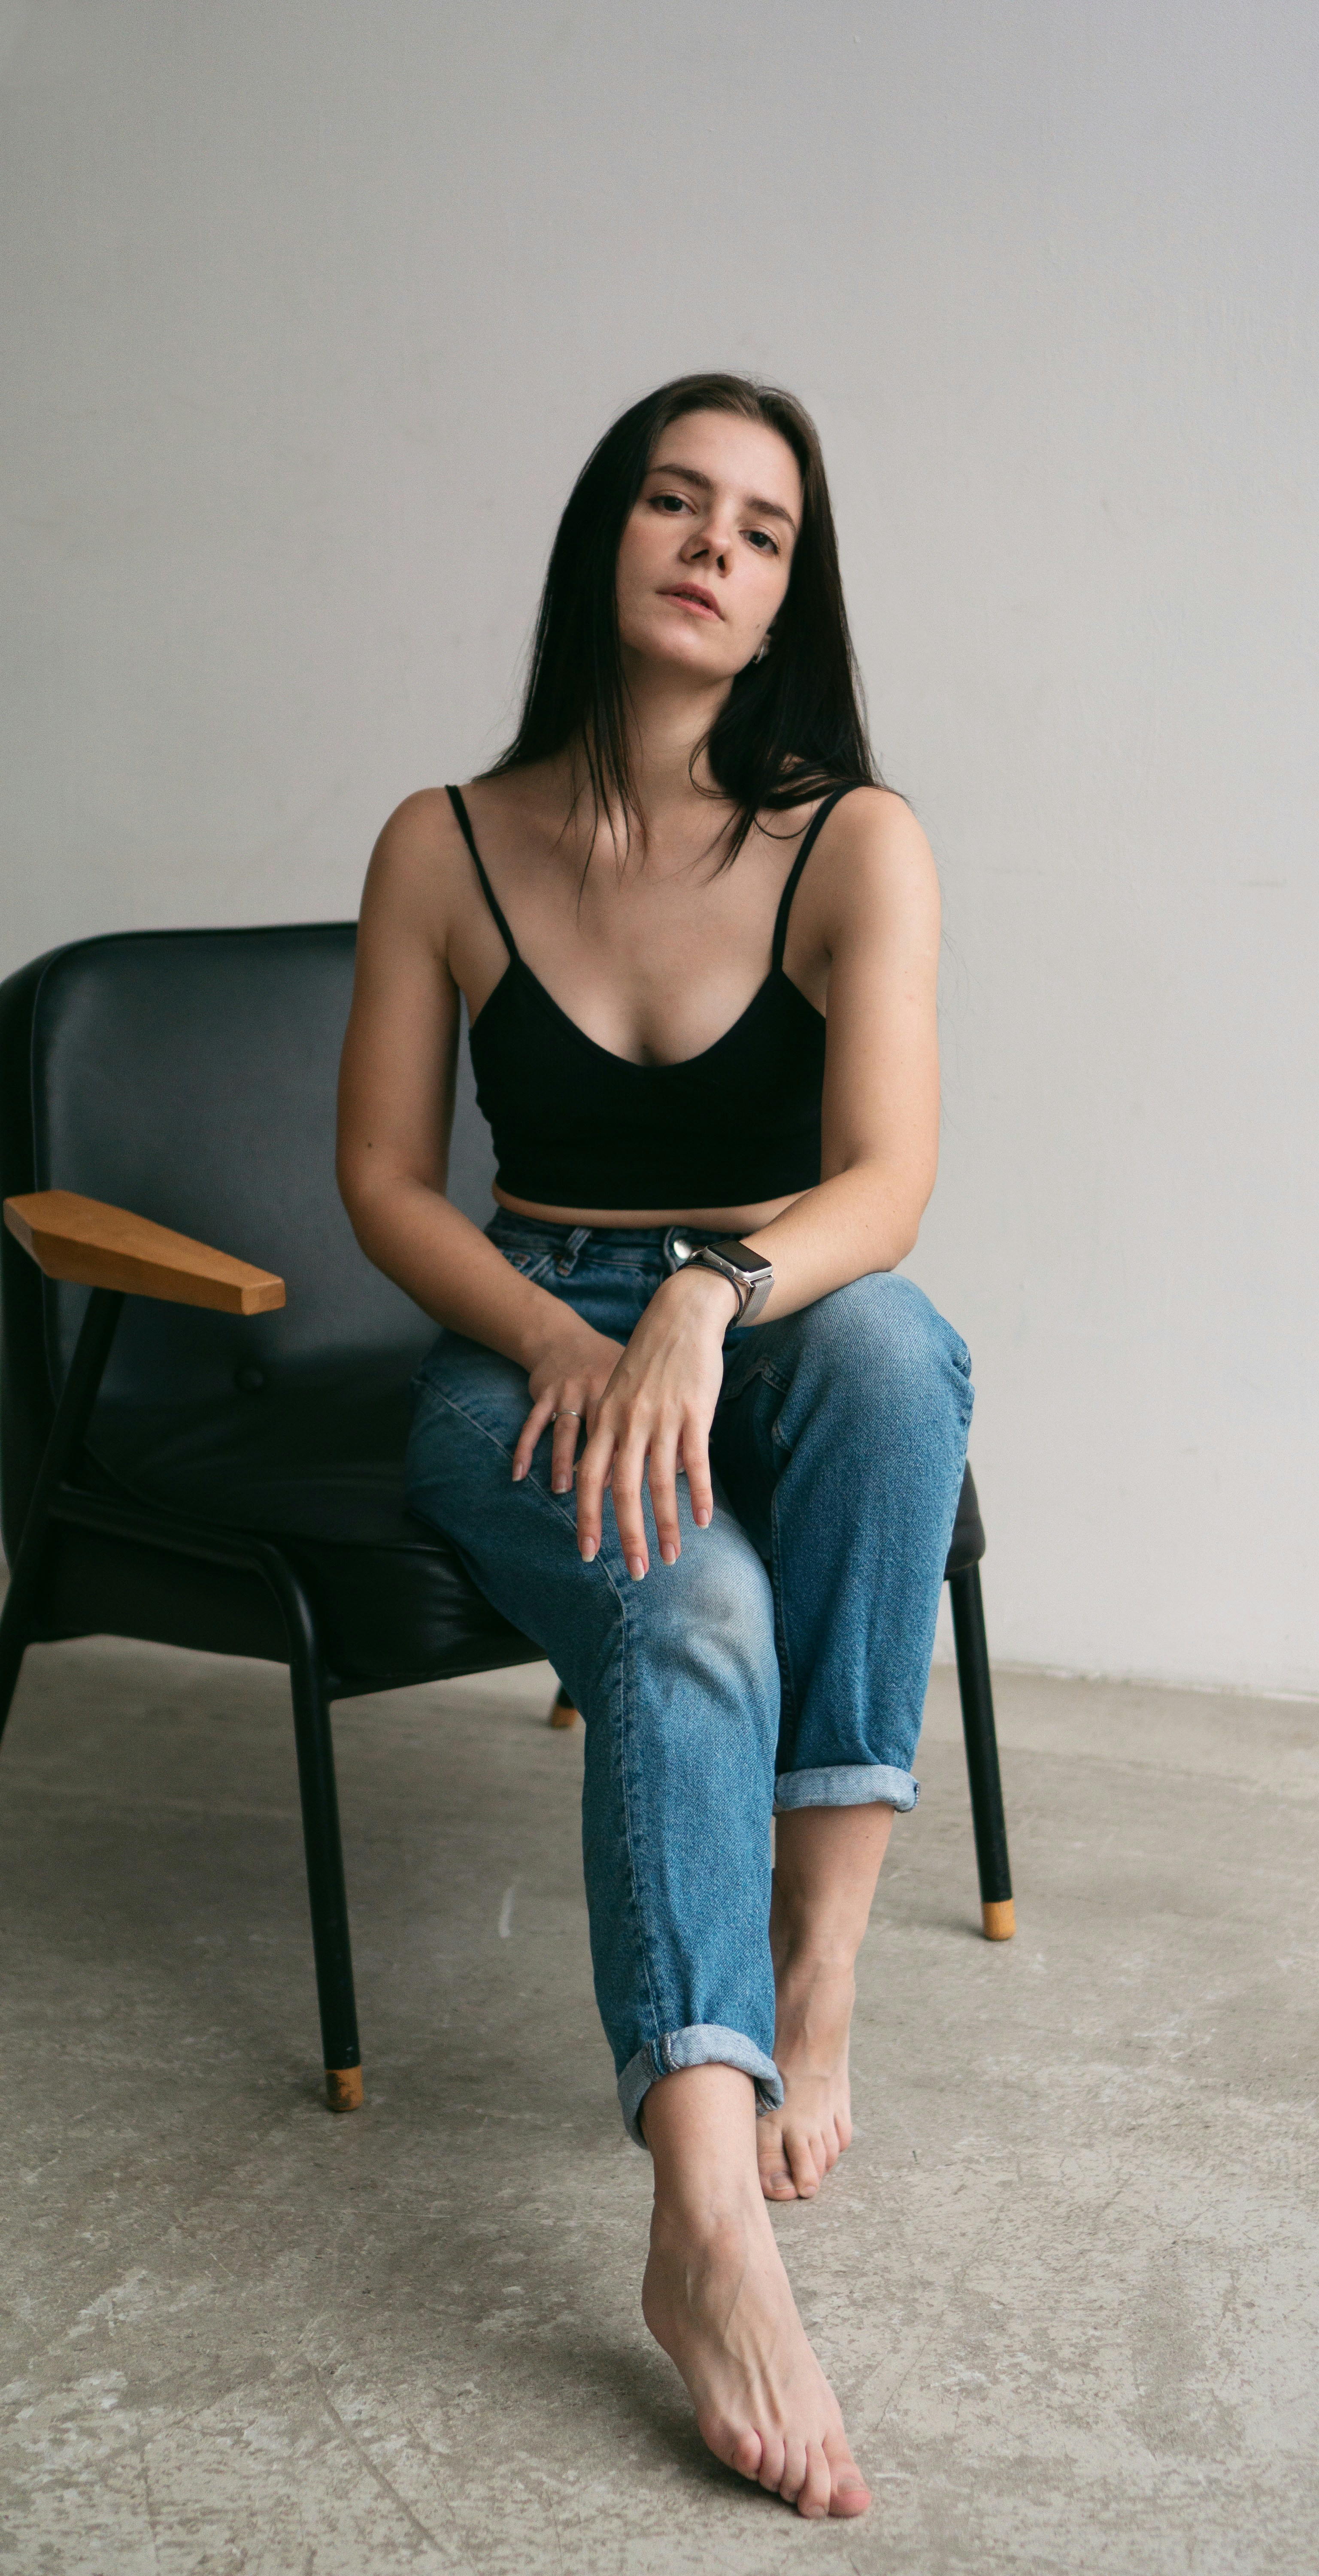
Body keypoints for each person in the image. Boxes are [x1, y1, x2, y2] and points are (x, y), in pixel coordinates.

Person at [337, 373, 972, 2520]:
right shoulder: (440, 841)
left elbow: (882, 1186)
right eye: (675, 504)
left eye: (764, 527)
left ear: (794, 588)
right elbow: (386, 1189)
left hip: (763, 1317)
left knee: (896, 1355)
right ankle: (705, 2223)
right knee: (687, 1596)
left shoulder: (849, 838)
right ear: (605, 537)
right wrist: (560, 1344)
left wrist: (703, 1291)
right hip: (518, 1337)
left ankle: (818, 1956)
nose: (715, 545)